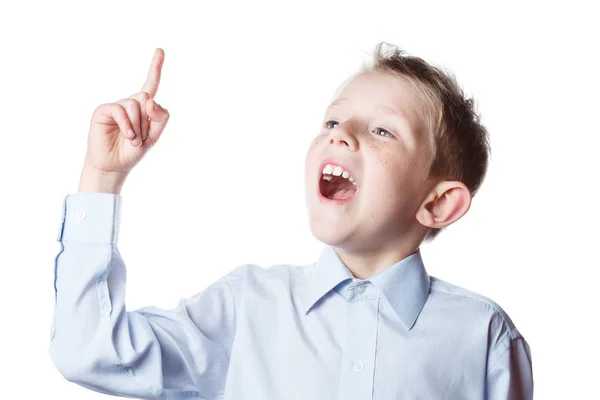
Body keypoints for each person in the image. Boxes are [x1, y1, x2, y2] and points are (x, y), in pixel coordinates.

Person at [49, 43, 533, 399]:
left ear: (438, 204)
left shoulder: (483, 336)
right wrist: (103, 176)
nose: (341, 134)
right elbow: (88, 353)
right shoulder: (246, 307)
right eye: (331, 122)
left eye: (382, 130)